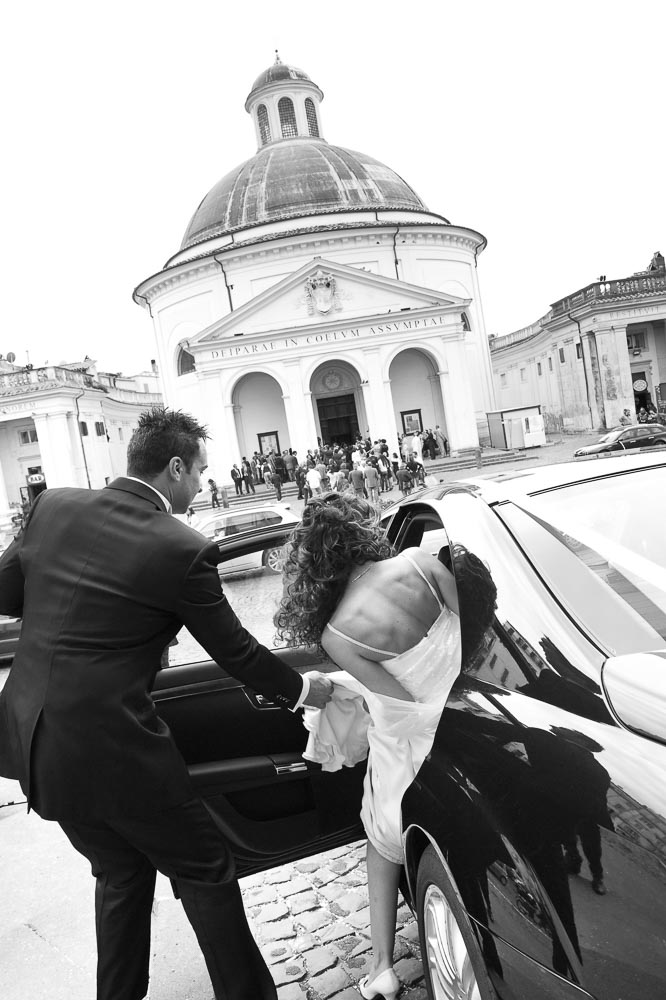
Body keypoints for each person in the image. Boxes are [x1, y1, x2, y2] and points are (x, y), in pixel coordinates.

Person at [0, 406, 332, 1000]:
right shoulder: (182, 549)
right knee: (206, 873)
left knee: (122, 875)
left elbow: (6, 594)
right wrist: (309, 689)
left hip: (33, 747)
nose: (203, 484)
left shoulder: (54, 507)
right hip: (116, 753)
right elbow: (239, 655)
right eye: (200, 471)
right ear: (175, 467)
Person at [275, 494, 497, 1000]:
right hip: (475, 712)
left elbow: (399, 705)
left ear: (312, 569)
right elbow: (473, 639)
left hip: (423, 739)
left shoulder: (335, 636)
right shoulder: (420, 562)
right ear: (360, 533)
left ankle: (381, 967)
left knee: (380, 830)